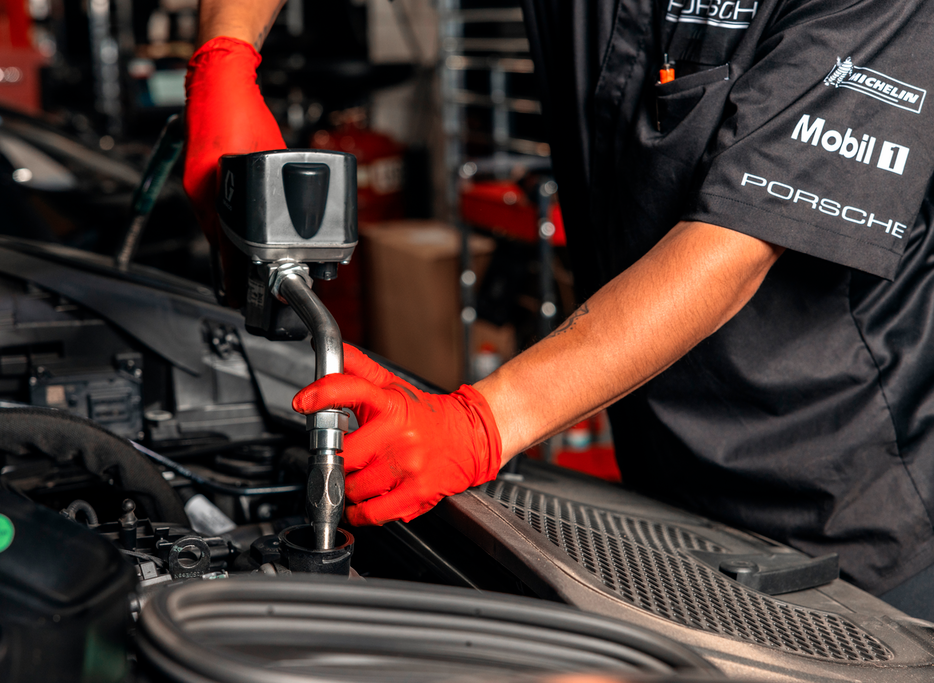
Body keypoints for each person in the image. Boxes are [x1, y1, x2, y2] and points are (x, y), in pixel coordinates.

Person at [185, 0, 934, 618]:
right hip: (658, 498)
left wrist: (479, 423)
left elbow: (736, 245)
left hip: (856, 518)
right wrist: (225, 52)